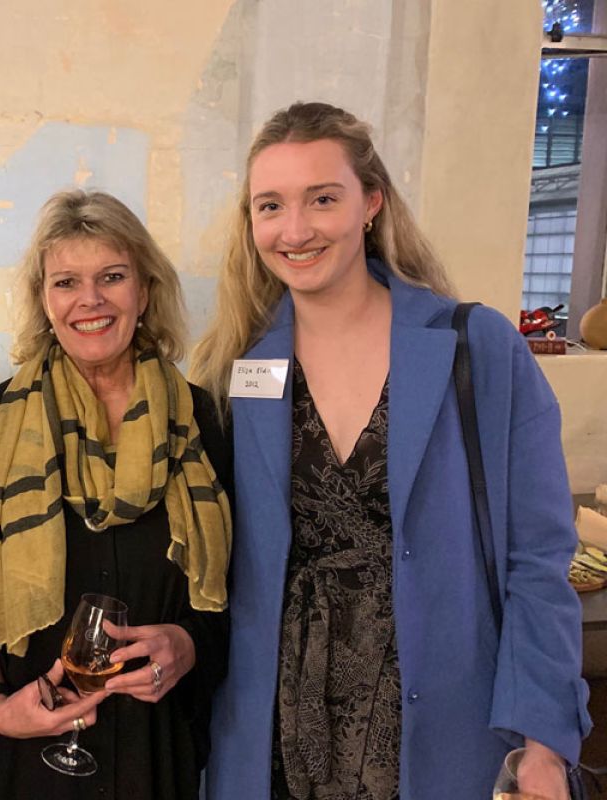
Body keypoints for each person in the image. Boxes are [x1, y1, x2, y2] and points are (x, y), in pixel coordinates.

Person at [192, 101, 590, 799]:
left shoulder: (477, 348)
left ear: (371, 202)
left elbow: (538, 560)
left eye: (323, 198)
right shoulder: (237, 370)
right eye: (271, 206)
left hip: (442, 732)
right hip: (278, 736)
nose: (295, 229)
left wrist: (545, 741)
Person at [0, 189, 233, 800]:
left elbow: (236, 587)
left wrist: (189, 645)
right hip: (21, 754)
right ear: (44, 301)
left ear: (144, 291)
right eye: (66, 281)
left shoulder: (199, 418)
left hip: (155, 749)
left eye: (112, 277)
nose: (89, 300)